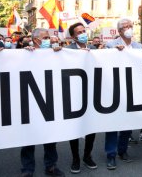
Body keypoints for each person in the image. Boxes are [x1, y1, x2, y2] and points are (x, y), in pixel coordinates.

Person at [20, 28, 64, 176]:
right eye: (45, 37)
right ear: (35, 39)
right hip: (30, 101)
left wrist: (61, 52)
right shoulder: (26, 53)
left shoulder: (55, 52)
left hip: (50, 100)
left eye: (49, 37)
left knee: (50, 136)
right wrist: (24, 52)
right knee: (27, 137)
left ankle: (51, 165)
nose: (48, 40)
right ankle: (27, 169)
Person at [104, 18, 142, 169]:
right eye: (125, 27)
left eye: (130, 26)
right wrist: (114, 52)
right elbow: (105, 62)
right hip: (114, 89)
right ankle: (111, 154)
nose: (129, 28)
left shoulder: (138, 46)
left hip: (133, 90)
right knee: (113, 123)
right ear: (119, 31)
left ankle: (123, 150)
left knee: (128, 122)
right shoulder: (111, 45)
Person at [65, 22, 97, 173]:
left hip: (91, 94)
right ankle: (75, 158)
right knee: (74, 128)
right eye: (79, 32)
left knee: (91, 127)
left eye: (84, 31)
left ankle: (87, 156)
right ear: (73, 36)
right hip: (74, 95)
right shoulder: (67, 50)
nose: (83, 33)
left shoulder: (95, 50)